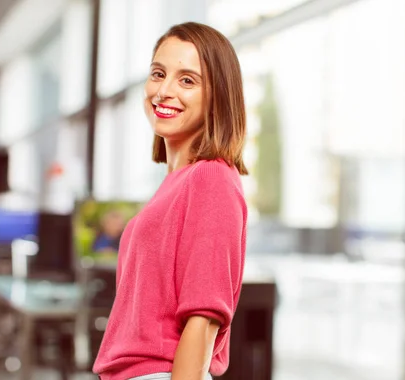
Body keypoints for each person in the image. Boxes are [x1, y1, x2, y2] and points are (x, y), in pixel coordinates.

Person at [93, 22, 248, 380]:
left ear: (218, 96)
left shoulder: (211, 176)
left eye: (187, 80)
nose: (164, 91)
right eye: (158, 74)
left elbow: (204, 317)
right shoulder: (175, 184)